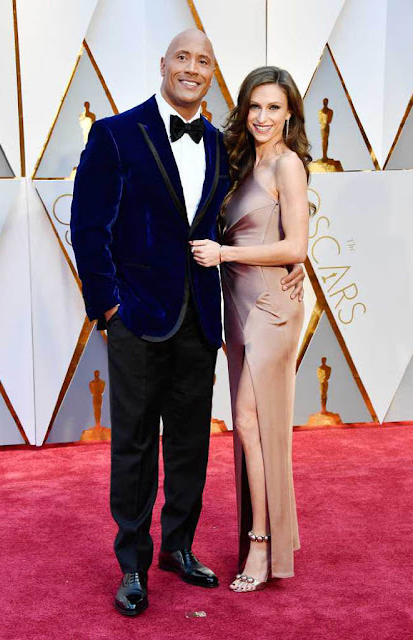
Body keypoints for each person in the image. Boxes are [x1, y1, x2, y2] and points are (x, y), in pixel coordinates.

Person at [71, 30, 305, 616]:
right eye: (183, 57)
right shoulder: (116, 134)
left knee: (190, 445)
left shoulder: (222, 148)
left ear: (212, 75)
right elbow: (89, 226)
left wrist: (299, 263)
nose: (192, 68)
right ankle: (132, 563)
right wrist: (108, 308)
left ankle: (178, 547)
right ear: (164, 65)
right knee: (131, 445)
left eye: (204, 61)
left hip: (203, 317)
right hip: (135, 317)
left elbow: (264, 221)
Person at [191, 66, 311, 591]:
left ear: (290, 115)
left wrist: (225, 254)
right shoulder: (236, 159)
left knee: (248, 420)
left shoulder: (288, 165)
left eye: (275, 108)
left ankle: (262, 547)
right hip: (236, 307)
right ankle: (270, 534)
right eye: (255, 107)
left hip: (270, 308)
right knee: (253, 431)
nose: (263, 118)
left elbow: (295, 248)